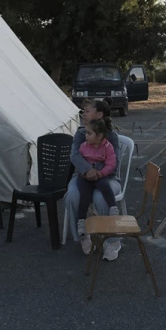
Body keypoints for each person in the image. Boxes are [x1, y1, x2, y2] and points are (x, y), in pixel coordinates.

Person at [65, 98, 122, 259]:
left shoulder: (111, 136)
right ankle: (83, 236)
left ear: (99, 115)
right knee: (72, 196)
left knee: (100, 198)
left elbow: (115, 163)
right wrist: (87, 170)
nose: (83, 114)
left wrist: (99, 173)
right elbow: (74, 155)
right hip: (83, 177)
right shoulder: (81, 134)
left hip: (107, 178)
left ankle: (112, 241)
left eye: (87, 111)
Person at [76, 119, 119, 238]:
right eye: (86, 133)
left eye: (89, 133)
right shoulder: (83, 147)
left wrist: (101, 173)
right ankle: (81, 221)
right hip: (85, 177)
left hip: (100, 175)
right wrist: (84, 172)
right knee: (84, 196)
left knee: (105, 187)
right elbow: (79, 162)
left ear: (99, 136)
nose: (86, 136)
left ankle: (113, 208)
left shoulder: (107, 147)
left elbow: (111, 164)